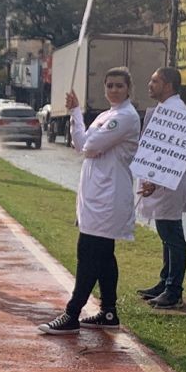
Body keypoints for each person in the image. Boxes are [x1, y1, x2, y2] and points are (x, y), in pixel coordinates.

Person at [39, 67, 141, 335]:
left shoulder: (125, 117)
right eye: (109, 85)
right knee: (104, 256)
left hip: (109, 197)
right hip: (95, 196)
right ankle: (109, 311)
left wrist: (86, 138)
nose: (114, 90)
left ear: (129, 88)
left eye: (119, 86)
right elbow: (80, 142)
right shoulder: (106, 116)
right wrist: (75, 112)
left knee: (89, 254)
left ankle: (72, 313)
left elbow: (90, 147)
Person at [136, 67, 186, 310]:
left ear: (168, 85)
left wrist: (155, 181)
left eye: (154, 80)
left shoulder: (176, 111)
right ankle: (164, 282)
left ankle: (174, 290)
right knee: (166, 236)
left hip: (170, 184)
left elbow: (176, 154)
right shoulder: (165, 108)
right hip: (162, 182)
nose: (149, 84)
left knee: (173, 236)